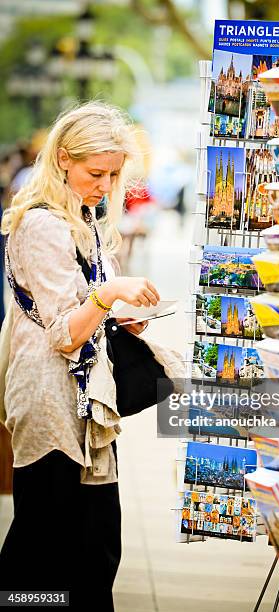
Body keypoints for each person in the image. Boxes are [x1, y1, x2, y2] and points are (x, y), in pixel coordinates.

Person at [0, 101, 161, 610]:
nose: (107, 185)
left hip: (85, 405)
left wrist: (124, 313)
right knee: (42, 554)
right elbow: (64, 334)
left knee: (92, 550)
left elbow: (87, 311)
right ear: (64, 158)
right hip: (50, 405)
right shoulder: (43, 224)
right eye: (98, 173)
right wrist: (109, 295)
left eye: (115, 175)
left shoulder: (85, 219)